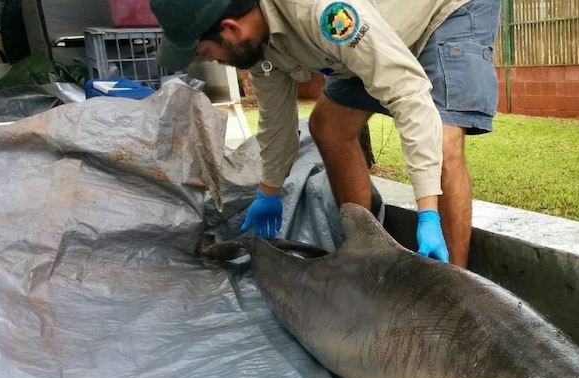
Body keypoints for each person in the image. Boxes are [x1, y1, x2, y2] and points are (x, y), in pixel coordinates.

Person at [150, 0, 501, 267]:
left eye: (207, 53)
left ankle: (454, 296)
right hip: (380, 36)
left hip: (447, 12)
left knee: (442, 139)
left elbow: (406, 90)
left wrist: (427, 211)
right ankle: (367, 256)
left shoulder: (322, 11)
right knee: (328, 126)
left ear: (230, 28)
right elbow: (277, 125)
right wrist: (269, 191)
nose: (213, 62)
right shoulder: (259, 48)